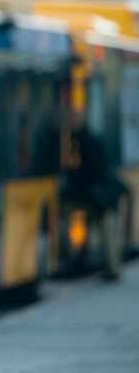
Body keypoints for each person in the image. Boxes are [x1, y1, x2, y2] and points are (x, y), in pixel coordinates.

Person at [62, 111, 128, 280]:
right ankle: (105, 266)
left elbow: (85, 173)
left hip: (97, 198)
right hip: (93, 197)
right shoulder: (85, 141)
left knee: (99, 230)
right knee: (94, 230)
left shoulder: (82, 143)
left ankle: (106, 267)